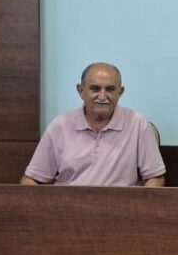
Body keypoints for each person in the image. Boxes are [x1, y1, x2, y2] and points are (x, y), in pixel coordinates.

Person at [21, 62, 165, 187]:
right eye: (95, 89)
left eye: (110, 89)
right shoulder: (60, 126)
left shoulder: (137, 123)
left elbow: (155, 178)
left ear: (120, 92)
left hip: (120, 207)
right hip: (67, 206)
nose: (102, 96)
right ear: (81, 91)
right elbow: (32, 180)